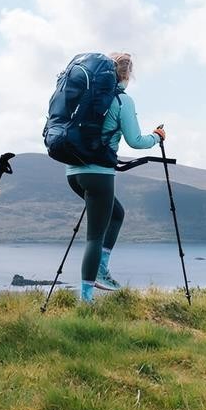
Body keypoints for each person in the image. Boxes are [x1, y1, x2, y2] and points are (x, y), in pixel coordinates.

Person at [66, 52, 165, 302]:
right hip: (98, 174)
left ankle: (101, 269)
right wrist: (157, 137)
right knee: (94, 237)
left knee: (116, 214)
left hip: (73, 171)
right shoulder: (122, 100)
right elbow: (136, 141)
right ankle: (86, 300)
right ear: (127, 74)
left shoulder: (86, 97)